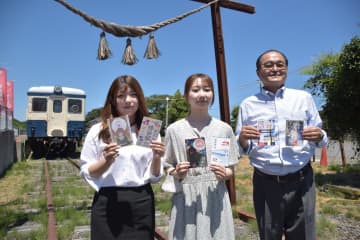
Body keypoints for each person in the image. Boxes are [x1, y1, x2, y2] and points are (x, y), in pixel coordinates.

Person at [235, 50, 328, 240]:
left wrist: (319, 135)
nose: (275, 69)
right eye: (268, 65)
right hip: (265, 181)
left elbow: (321, 138)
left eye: (280, 64)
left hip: (302, 179)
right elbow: (243, 147)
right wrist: (243, 139)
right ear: (258, 72)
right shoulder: (248, 104)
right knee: (269, 234)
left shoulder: (303, 98)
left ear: (286, 69)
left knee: (304, 235)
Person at [80, 75, 165, 240]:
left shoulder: (149, 130)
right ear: (112, 100)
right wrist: (107, 160)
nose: (128, 100)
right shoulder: (99, 130)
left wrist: (156, 157)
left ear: (140, 98)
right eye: (121, 96)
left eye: (133, 95)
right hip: (108, 200)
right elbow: (88, 171)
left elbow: (154, 177)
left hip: (141, 201)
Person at [163, 73, 240, 240]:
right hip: (186, 196)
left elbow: (231, 169)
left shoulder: (224, 128)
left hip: (215, 194)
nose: (202, 94)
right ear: (186, 96)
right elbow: (167, 165)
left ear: (213, 94)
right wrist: (176, 172)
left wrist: (224, 173)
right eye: (196, 90)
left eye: (207, 89)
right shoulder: (174, 130)